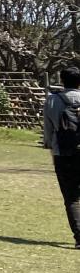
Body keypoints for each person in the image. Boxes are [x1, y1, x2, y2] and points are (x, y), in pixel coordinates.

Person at [41, 65, 80, 249]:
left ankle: (79, 236)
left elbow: (48, 131)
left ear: (62, 80)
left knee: (72, 197)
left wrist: (50, 147)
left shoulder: (52, 100)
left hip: (63, 153)